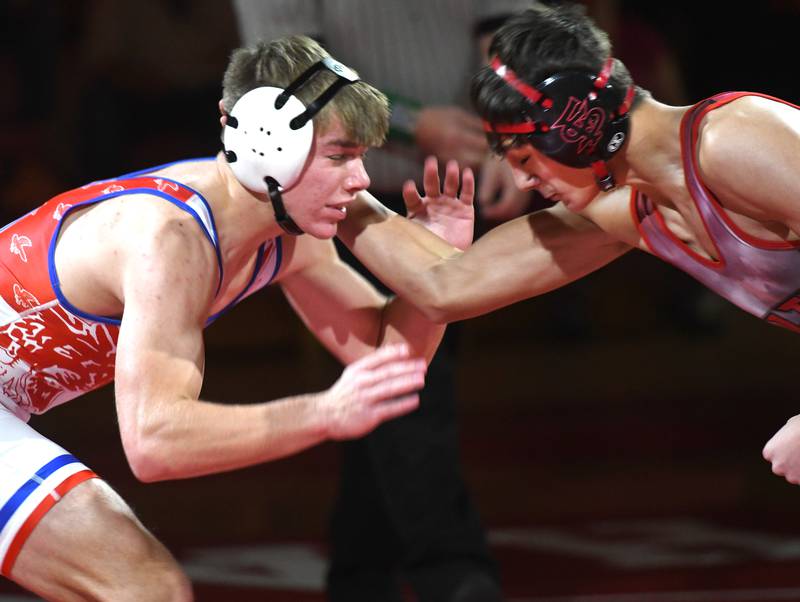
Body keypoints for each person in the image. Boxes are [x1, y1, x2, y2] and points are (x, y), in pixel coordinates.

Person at [0, 34, 475, 601]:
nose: (362, 180)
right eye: (339, 156)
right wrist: (323, 413)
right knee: (144, 589)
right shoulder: (168, 238)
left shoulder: (288, 240)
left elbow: (387, 361)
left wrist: (433, 281)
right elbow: (153, 441)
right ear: (268, 145)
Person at [337, 1, 800, 486]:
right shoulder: (625, 211)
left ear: (573, 124)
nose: (523, 182)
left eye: (523, 157)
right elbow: (446, 288)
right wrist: (328, 181)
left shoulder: (731, 138)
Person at [230, 3, 530, 600]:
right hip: (331, 196)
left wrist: (510, 137)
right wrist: (413, 125)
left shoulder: (311, 228)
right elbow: (280, 81)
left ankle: (360, 576)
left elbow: (505, 23)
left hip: (436, 185)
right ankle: (451, 573)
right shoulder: (182, 228)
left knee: (397, 394)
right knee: (405, 398)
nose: (358, 174)